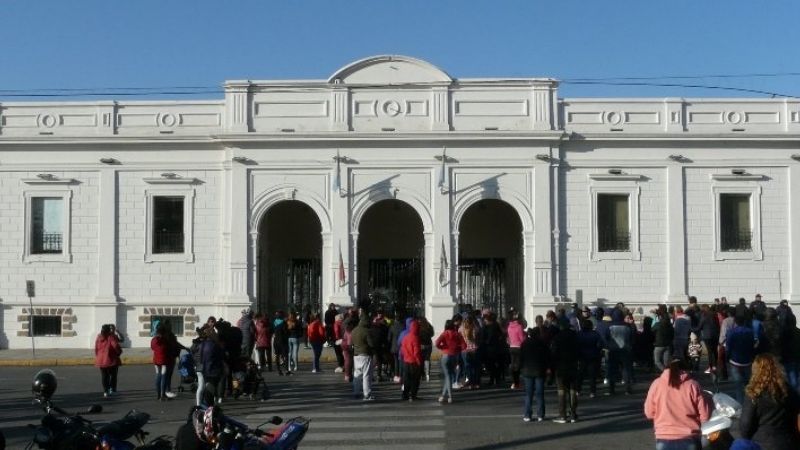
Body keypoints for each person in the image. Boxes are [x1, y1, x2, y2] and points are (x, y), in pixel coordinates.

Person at [644, 358, 712, 449]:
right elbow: (705, 415)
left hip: (663, 437)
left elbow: (649, 413)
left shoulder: (656, 384)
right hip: (689, 436)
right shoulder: (693, 385)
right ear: (685, 369)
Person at [739, 354, 800, 450]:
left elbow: (745, 425)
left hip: (761, 443)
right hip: (789, 442)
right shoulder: (789, 391)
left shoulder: (754, 394)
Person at [551, 317, 579, 423]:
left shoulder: (557, 337)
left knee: (561, 391)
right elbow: (578, 350)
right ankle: (573, 414)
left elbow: (554, 353)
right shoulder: (575, 336)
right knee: (573, 390)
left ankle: (562, 415)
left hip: (561, 367)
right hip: (573, 365)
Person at [520, 327, 549, 422]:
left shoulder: (525, 343)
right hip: (539, 370)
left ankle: (527, 414)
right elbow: (546, 357)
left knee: (529, 394)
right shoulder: (542, 343)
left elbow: (521, 357)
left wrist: (522, 368)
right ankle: (540, 414)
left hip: (527, 370)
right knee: (540, 394)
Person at [726, 315, 756, 404]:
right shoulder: (750, 332)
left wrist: (727, 358)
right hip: (747, 360)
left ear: (735, 322)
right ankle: (750, 403)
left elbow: (728, 347)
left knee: (738, 386)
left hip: (735, 361)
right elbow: (752, 345)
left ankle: (740, 404)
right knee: (749, 384)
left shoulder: (731, 332)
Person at [436, 319, 466, 404]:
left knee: (447, 375)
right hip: (454, 356)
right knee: (449, 376)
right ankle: (443, 395)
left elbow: (437, 343)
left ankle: (449, 396)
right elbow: (464, 346)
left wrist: (443, 348)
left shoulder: (445, 333)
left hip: (445, 355)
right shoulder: (457, 334)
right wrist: (457, 349)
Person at [351, 309, 375, 400]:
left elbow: (351, 343)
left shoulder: (354, 330)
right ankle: (367, 394)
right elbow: (371, 344)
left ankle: (356, 392)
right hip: (365, 354)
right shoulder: (366, 331)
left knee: (357, 375)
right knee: (366, 375)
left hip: (356, 355)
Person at [95, 324, 122, 397]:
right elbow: (115, 346)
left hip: (101, 359)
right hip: (111, 359)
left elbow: (96, 348)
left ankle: (105, 391)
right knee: (113, 375)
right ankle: (112, 389)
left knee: (104, 376)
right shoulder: (111, 337)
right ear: (109, 330)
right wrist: (119, 352)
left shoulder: (99, 337)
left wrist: (98, 356)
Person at [576, 319, 602, 398]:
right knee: (592, 375)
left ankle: (578, 390)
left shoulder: (579, 334)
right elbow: (600, 344)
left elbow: (576, 344)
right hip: (593, 356)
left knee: (580, 374)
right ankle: (592, 392)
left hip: (582, 356)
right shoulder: (595, 334)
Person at [401, 318, 424, 402]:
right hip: (414, 362)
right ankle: (413, 395)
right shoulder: (416, 338)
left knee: (407, 379)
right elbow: (416, 352)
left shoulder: (406, 337)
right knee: (415, 380)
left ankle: (405, 395)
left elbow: (402, 348)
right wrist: (419, 363)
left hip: (406, 361)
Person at [150, 323, 171, 401]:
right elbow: (168, 348)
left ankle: (158, 394)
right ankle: (162, 395)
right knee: (163, 377)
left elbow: (152, 348)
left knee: (158, 376)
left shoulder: (153, 340)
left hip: (156, 360)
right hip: (164, 360)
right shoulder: (164, 340)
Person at [507, 312, 525, 390]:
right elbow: (521, 339)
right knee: (517, 366)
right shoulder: (519, 327)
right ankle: (517, 383)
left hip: (511, 347)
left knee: (513, 365)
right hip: (518, 347)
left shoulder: (509, 327)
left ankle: (514, 382)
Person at [653, 306, 674, 372]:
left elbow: (652, 330)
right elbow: (672, 335)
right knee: (666, 362)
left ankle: (666, 372)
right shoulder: (670, 325)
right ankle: (667, 372)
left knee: (657, 361)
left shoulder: (657, 324)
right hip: (667, 345)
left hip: (659, 345)